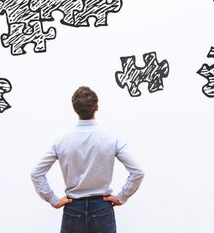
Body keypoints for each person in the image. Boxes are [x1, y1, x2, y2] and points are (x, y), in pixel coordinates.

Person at [30, 86, 145, 233]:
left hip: (73, 208)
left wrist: (53, 199)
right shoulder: (110, 139)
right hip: (102, 208)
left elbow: (36, 173)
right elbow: (138, 172)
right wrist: (122, 197)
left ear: (74, 109)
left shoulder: (62, 141)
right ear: (97, 106)